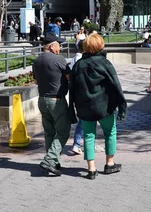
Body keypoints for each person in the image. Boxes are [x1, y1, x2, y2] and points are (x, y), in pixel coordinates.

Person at [69, 32, 127, 180]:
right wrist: (121, 104)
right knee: (110, 133)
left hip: (85, 107)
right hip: (105, 106)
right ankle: (109, 163)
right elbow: (116, 84)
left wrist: (72, 107)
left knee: (88, 136)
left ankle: (91, 168)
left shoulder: (78, 65)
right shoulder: (104, 63)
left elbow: (72, 88)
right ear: (100, 46)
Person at [32, 32, 71, 176]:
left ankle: (53, 161)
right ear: (52, 46)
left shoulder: (36, 61)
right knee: (63, 131)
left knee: (49, 132)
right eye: (59, 45)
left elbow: (36, 81)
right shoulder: (59, 59)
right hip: (56, 101)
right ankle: (49, 160)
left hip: (42, 100)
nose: (60, 48)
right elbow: (69, 77)